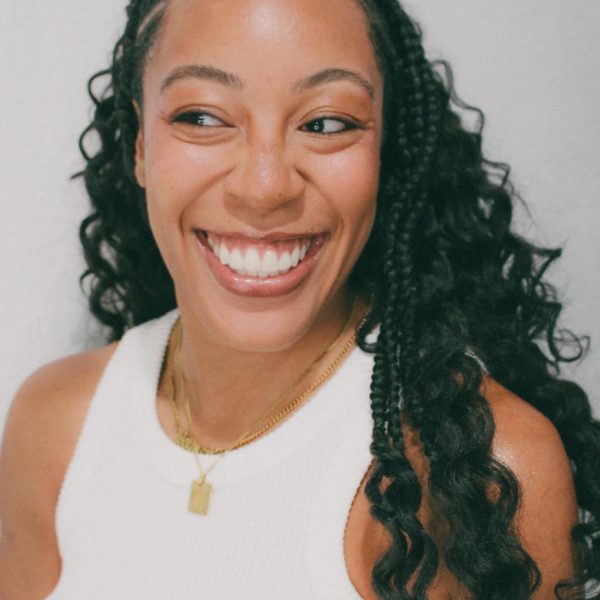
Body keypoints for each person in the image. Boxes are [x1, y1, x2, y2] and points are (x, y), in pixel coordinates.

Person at [0, 0, 598, 598]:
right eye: (202, 116)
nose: (265, 188)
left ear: (385, 148)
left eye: (327, 123)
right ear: (139, 144)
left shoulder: (481, 471)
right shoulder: (53, 424)